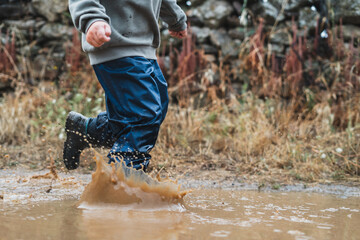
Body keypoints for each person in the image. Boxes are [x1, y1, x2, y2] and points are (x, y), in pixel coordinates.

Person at [63, 0, 187, 171]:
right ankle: (124, 182)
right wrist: (92, 18)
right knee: (143, 115)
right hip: (114, 42)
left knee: (155, 110)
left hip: (145, 47)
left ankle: (84, 130)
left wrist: (175, 18)